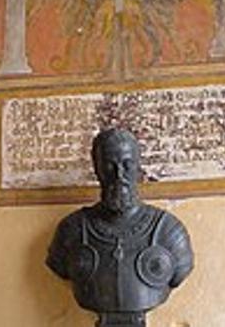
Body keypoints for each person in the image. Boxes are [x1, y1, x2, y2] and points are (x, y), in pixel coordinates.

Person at [46, 128, 194, 327]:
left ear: (138, 167)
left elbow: (179, 273)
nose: (119, 175)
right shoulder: (72, 230)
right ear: (97, 168)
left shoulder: (169, 231)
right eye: (109, 165)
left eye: (127, 164)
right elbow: (59, 266)